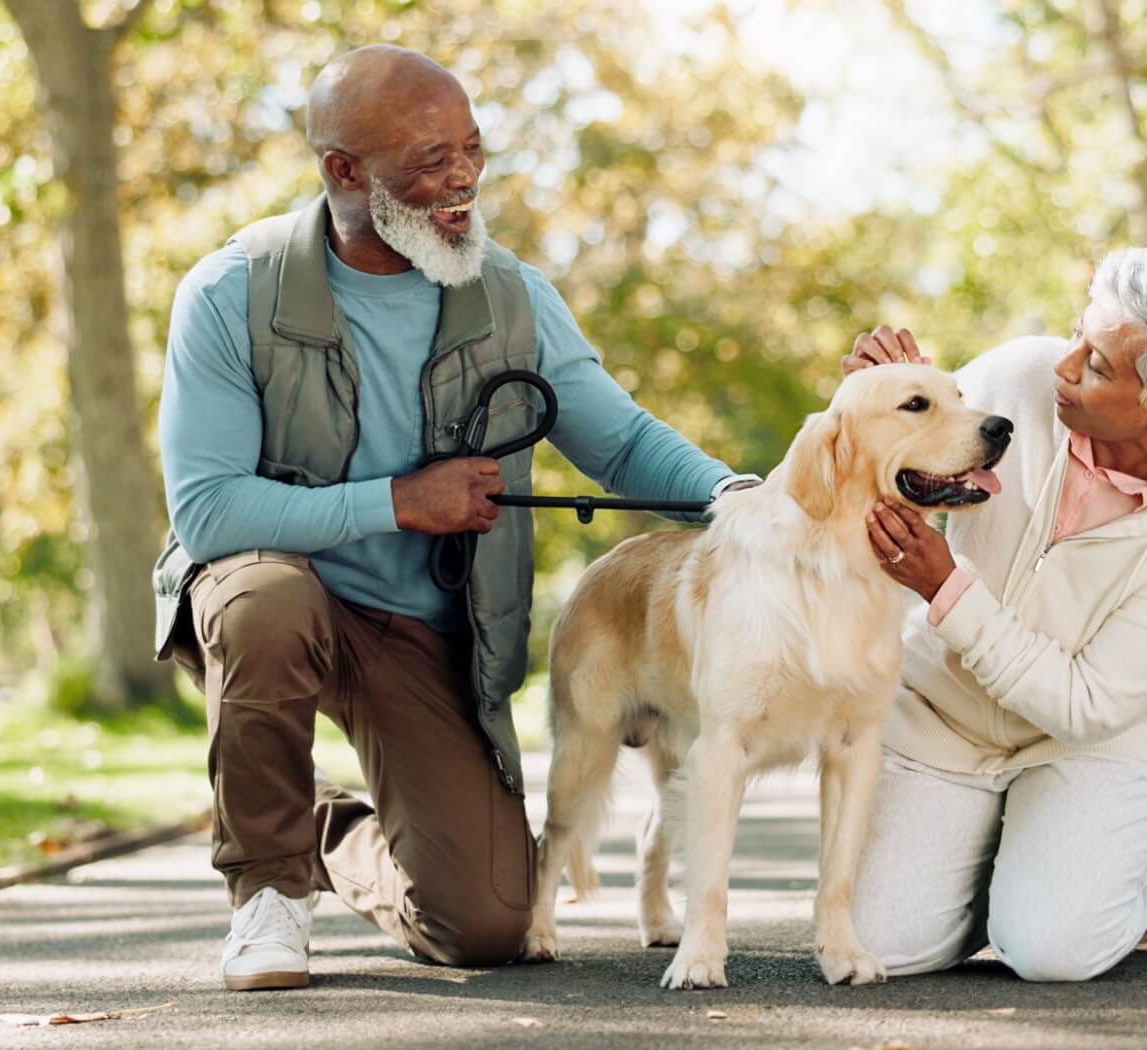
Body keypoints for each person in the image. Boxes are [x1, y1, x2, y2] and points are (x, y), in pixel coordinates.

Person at [151, 45, 757, 991]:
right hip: (280, 593)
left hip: (426, 631)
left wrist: (735, 498)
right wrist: (400, 501)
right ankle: (267, 894)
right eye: (431, 160)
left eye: (472, 149)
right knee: (263, 603)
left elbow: (623, 442)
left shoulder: (510, 294)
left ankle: (320, 832)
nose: (464, 178)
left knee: (484, 925)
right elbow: (210, 509)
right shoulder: (233, 293)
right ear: (343, 171)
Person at [845, 245, 1147, 982]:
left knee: (1053, 949)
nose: (1064, 366)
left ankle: (1117, 878)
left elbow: (1089, 704)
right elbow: (880, 474)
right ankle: (1021, 861)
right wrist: (876, 398)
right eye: (1079, 333)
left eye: (1098, 365)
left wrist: (947, 588)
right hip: (947, 715)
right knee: (876, 947)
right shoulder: (1015, 377)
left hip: (1099, 741)